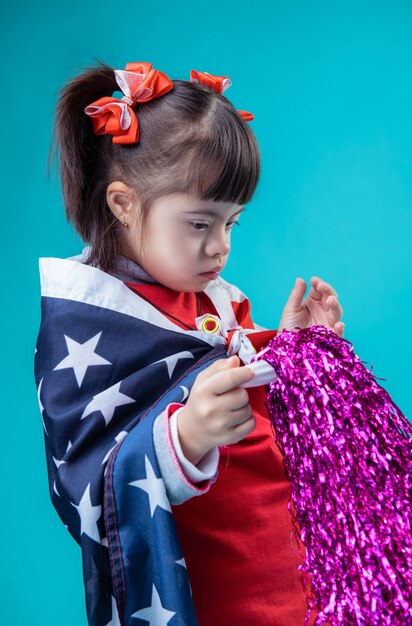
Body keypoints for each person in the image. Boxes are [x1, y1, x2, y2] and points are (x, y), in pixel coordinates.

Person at [35, 60, 344, 626]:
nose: (220, 248)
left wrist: (301, 351)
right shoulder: (88, 322)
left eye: (233, 225)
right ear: (123, 204)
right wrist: (184, 436)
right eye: (200, 224)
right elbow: (86, 477)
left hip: (288, 561)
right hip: (215, 585)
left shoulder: (219, 300)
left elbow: (255, 393)